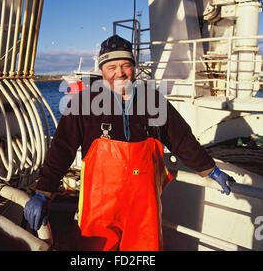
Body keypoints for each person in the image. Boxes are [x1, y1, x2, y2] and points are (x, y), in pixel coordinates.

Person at [24, 34, 235, 251]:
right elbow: (62, 148)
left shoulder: (153, 101)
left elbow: (181, 138)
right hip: (99, 208)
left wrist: (209, 169)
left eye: (126, 65)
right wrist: (43, 192)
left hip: (143, 209)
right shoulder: (83, 103)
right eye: (111, 66)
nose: (120, 73)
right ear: (102, 70)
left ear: (134, 67)